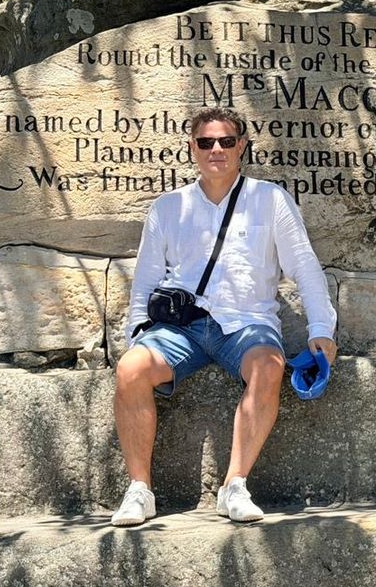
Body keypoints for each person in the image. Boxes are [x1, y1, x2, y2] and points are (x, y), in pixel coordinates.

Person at [111, 106, 337, 526]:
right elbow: (144, 279)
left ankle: (234, 484)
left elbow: (303, 266)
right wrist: (137, 334)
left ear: (242, 147)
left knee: (269, 368)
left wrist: (321, 330)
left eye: (226, 141)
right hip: (183, 328)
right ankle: (139, 490)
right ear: (193, 148)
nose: (216, 149)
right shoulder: (168, 207)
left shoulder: (270, 200)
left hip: (246, 324)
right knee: (130, 369)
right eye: (206, 142)